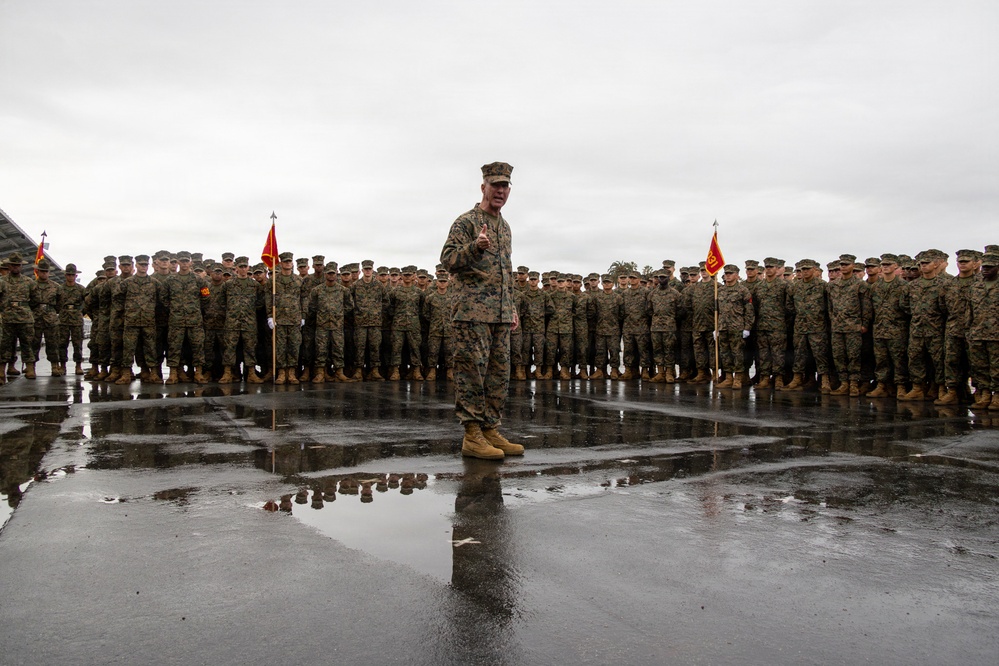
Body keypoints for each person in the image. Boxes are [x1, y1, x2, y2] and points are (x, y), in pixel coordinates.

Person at [440, 162, 523, 460]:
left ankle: (490, 429)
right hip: (471, 313)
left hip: (499, 314)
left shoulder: (505, 227)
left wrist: (511, 306)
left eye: (505, 186)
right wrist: (475, 247)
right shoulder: (466, 222)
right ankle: (472, 434)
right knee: (471, 373)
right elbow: (448, 259)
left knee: (499, 375)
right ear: (483, 187)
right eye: (495, 185)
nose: (500, 191)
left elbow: (505, 271)